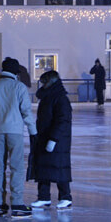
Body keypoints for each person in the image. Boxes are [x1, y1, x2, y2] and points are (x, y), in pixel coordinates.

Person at [0, 61, 37, 217]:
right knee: (16, 167)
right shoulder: (19, 87)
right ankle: (17, 203)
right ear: (16, 72)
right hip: (15, 132)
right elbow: (26, 111)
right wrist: (33, 131)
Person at [31, 70, 73, 210]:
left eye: (44, 82)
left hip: (58, 140)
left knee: (59, 167)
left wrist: (54, 139)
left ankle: (65, 197)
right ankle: (43, 197)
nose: (42, 85)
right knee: (43, 167)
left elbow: (63, 120)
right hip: (44, 137)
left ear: (51, 82)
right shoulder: (48, 97)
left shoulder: (60, 98)